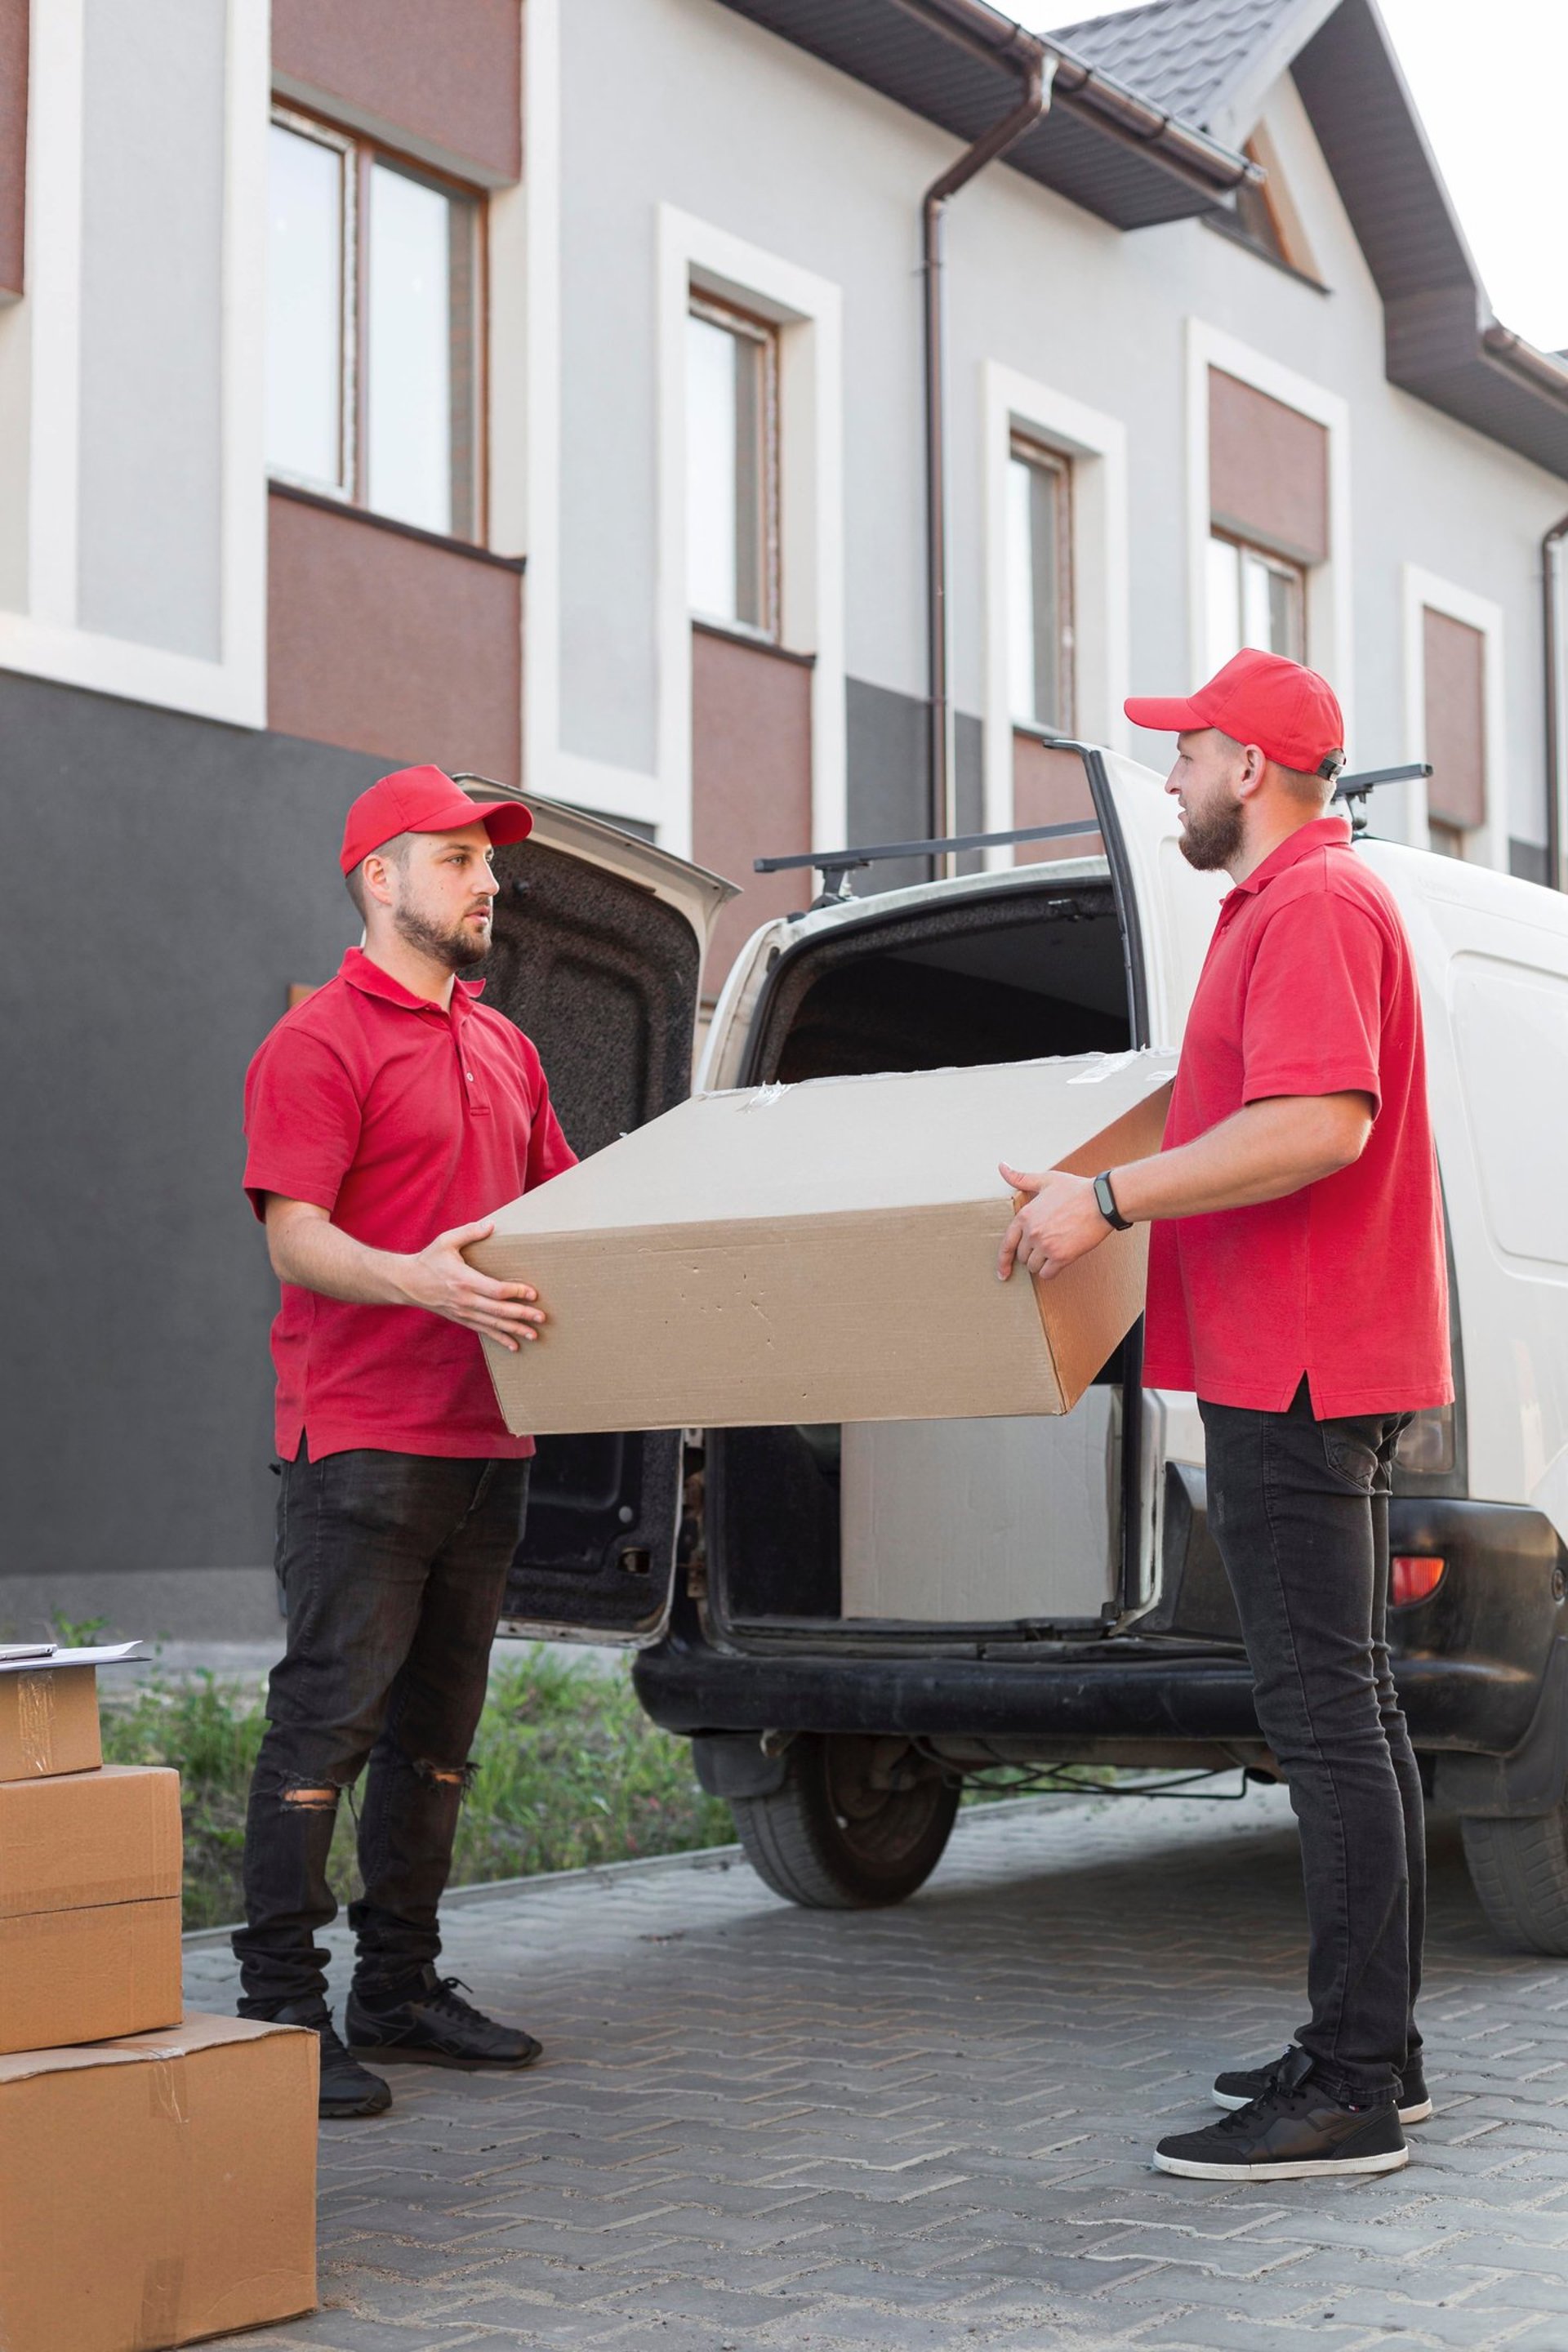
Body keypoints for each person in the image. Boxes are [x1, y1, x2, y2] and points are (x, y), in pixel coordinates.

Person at [998, 649, 1450, 2183]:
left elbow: (1321, 1124)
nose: (1172, 777)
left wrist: (1106, 1200)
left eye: (1186, 753)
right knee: (1359, 1709)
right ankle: (1374, 2046)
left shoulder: (1315, 905)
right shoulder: (1292, 904)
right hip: (1309, 1359)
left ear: (1250, 768)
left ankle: (1347, 2089)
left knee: (1325, 1718)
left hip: (1298, 1367)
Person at [234, 764, 574, 2118]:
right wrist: (424, 1279)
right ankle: (275, 2008)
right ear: (379, 878)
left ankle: (401, 1985)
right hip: (362, 1439)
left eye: (489, 862)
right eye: (455, 859)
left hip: (491, 1435)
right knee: (328, 1724)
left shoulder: (507, 1046)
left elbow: (564, 1209)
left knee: (441, 1728)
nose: (487, 880)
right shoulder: (317, 1041)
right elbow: (294, 1235)